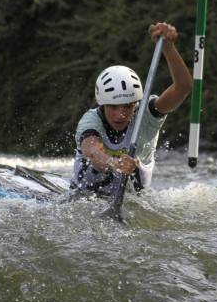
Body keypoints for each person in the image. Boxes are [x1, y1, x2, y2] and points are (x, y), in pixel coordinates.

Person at [71, 22, 193, 196]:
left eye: (128, 107)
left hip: (136, 202)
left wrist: (168, 48)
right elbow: (93, 153)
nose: (120, 114)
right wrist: (116, 164)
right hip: (83, 199)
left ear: (136, 104)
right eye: (113, 106)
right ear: (102, 103)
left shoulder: (147, 116)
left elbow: (184, 88)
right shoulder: (91, 121)